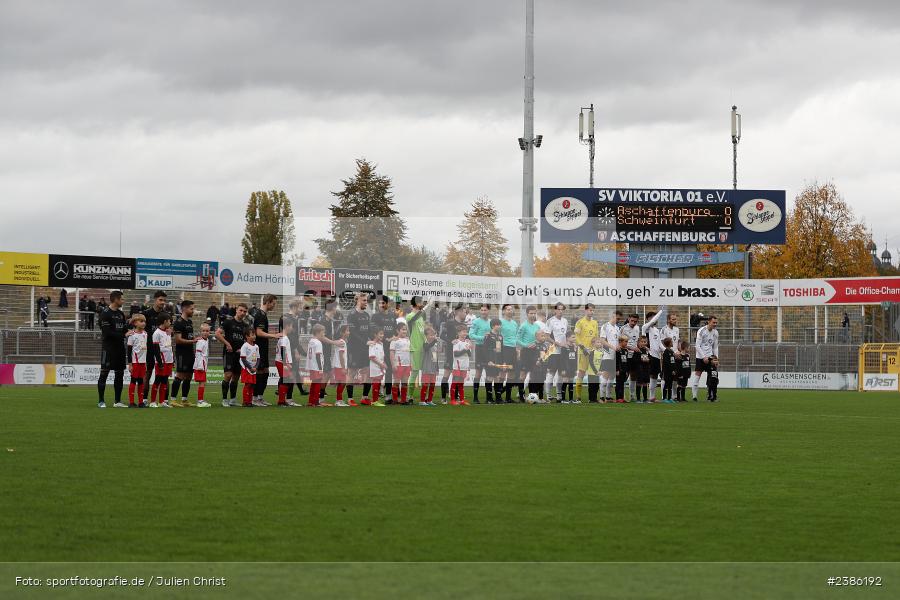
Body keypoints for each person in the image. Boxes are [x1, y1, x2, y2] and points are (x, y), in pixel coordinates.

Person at [97, 290, 128, 408]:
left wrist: (133, 329)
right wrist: (124, 335)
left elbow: (124, 329)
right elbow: (107, 333)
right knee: (104, 373)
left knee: (119, 374)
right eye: (122, 299)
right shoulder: (105, 313)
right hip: (108, 349)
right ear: (116, 299)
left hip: (120, 348)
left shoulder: (121, 314)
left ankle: (117, 401)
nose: (123, 301)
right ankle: (101, 401)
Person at [250, 294, 282, 406]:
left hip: (263, 347)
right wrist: (274, 335)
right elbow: (258, 332)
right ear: (268, 302)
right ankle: (254, 398)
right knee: (260, 372)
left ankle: (259, 397)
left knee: (265, 372)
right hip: (258, 348)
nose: (274, 306)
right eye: (273, 303)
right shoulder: (260, 315)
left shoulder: (262, 314)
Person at [215, 303, 249, 407]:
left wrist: (243, 348)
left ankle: (233, 400)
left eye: (244, 311)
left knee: (236, 377)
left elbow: (247, 340)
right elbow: (217, 333)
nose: (242, 313)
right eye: (241, 310)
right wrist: (227, 344)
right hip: (229, 353)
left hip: (239, 355)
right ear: (236, 310)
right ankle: (224, 399)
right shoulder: (228, 322)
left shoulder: (245, 325)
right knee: (228, 375)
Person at [405, 295, 436, 401]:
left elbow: (423, 330)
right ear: (416, 303)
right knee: (415, 372)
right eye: (421, 302)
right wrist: (427, 306)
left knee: (426, 372)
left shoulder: (422, 316)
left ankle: (425, 397)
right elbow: (415, 318)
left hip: (425, 347)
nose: (422, 304)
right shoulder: (409, 316)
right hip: (415, 348)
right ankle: (409, 396)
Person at [141, 291, 168, 404]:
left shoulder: (166, 315)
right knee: (147, 373)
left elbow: (168, 332)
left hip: (162, 350)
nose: (162, 302)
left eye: (164, 300)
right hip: (149, 349)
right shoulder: (146, 314)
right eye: (160, 300)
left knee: (164, 374)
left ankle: (164, 400)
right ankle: (144, 399)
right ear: (155, 300)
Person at [345, 293, 372, 404]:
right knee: (352, 372)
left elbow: (368, 331)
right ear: (357, 300)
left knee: (368, 372)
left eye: (366, 300)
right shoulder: (351, 315)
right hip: (354, 348)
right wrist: (365, 341)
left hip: (365, 348)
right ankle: (350, 399)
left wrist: (374, 340)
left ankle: (364, 397)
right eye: (364, 300)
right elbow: (353, 332)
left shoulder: (366, 315)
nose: (366, 302)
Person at [171, 300, 198, 408]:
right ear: (184, 309)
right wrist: (192, 341)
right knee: (180, 375)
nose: (193, 311)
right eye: (191, 309)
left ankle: (184, 400)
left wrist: (195, 340)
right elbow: (178, 340)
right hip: (182, 353)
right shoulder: (178, 322)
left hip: (190, 352)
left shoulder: (189, 322)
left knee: (189, 376)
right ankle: (173, 400)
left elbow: (189, 337)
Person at [439, 304, 467, 403]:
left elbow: (466, 338)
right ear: (459, 312)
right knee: (446, 374)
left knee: (457, 376)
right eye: (464, 312)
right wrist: (451, 341)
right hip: (450, 353)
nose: (466, 314)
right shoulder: (449, 323)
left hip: (460, 355)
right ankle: (443, 398)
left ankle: (455, 397)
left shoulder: (464, 325)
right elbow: (442, 335)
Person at [372, 296, 399, 400]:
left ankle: (388, 394)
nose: (381, 305)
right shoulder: (375, 316)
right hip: (379, 347)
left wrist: (395, 337)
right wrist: (384, 339)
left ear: (388, 304)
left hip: (389, 348)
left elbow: (396, 330)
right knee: (377, 370)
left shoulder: (393, 316)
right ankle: (374, 394)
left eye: (383, 303)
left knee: (389, 370)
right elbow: (373, 332)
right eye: (379, 303)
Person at [515, 306, 541, 403]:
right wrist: (526, 345)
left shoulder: (537, 326)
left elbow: (540, 339)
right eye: (531, 313)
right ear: (527, 314)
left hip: (535, 353)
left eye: (534, 313)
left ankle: (532, 396)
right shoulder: (523, 326)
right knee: (522, 375)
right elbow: (517, 339)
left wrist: (538, 343)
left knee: (534, 375)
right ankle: (521, 395)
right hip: (525, 353)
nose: (533, 315)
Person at [467, 303, 491, 404]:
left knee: (489, 373)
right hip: (480, 348)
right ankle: (475, 398)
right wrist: (483, 337)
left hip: (489, 350)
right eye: (482, 310)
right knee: (478, 372)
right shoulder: (476, 321)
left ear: (488, 311)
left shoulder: (491, 322)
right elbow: (471, 334)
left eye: (485, 310)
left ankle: (489, 398)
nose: (483, 312)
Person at [573, 303, 597, 402]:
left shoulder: (595, 322)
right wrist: (583, 347)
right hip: (583, 352)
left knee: (593, 374)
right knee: (581, 373)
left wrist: (595, 348)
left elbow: (596, 337)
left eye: (593, 310)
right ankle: (578, 397)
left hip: (592, 352)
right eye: (590, 310)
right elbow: (576, 337)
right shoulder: (580, 322)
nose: (592, 312)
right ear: (585, 310)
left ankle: (592, 397)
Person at [545, 302, 569, 402]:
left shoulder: (565, 321)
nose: (560, 311)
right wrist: (556, 343)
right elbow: (546, 337)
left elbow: (566, 336)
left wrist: (568, 344)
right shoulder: (550, 321)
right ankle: (548, 395)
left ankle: (559, 395)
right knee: (551, 372)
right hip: (553, 351)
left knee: (560, 374)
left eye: (562, 309)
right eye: (558, 309)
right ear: (555, 310)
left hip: (563, 352)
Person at [692, 315, 719, 401]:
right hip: (700, 357)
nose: (715, 324)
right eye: (713, 322)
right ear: (709, 322)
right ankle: (694, 396)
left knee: (712, 376)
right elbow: (697, 346)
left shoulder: (715, 332)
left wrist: (716, 359)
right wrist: (703, 357)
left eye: (716, 323)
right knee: (697, 376)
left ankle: (711, 395)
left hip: (710, 357)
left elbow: (715, 347)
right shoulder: (701, 331)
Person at [150, 312, 174, 408]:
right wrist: (160, 362)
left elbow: (170, 347)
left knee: (164, 380)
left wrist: (172, 360)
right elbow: (156, 349)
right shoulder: (157, 333)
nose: (170, 323)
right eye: (169, 321)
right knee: (158, 380)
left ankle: (161, 401)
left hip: (168, 360)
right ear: (164, 321)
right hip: (161, 361)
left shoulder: (167, 332)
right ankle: (152, 402)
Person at [275, 319, 301, 407]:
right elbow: (283, 350)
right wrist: (285, 364)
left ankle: (283, 400)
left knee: (287, 380)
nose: (292, 328)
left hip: (282, 362)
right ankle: (281, 401)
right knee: (285, 380)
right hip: (281, 362)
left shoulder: (284, 337)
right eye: (291, 326)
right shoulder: (284, 338)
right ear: (286, 326)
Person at [599, 310, 622, 403]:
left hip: (615, 355)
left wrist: (619, 346)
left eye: (619, 319)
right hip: (607, 354)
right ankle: (601, 397)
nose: (618, 320)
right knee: (605, 375)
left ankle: (608, 397)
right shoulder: (605, 326)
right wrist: (613, 347)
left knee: (612, 376)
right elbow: (602, 340)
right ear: (612, 316)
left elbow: (618, 341)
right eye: (617, 318)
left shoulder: (617, 328)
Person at [499, 304, 519, 403]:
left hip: (513, 349)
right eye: (508, 309)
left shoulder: (515, 323)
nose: (510, 311)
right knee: (503, 372)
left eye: (511, 309)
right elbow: (497, 337)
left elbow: (515, 337)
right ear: (503, 311)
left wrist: (517, 349)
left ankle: (508, 397)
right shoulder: (500, 322)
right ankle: (498, 396)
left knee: (512, 373)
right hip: (504, 348)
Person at [642, 309, 664, 402]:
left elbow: (659, 344)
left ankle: (652, 397)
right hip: (649, 355)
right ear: (648, 319)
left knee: (654, 376)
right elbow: (652, 322)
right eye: (651, 318)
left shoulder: (656, 330)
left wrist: (667, 351)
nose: (654, 319)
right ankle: (644, 397)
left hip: (657, 356)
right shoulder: (645, 328)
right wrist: (660, 312)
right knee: (649, 376)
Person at [126, 314, 148, 407]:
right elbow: (129, 351)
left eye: (144, 321)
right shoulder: (132, 335)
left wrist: (145, 362)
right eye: (141, 321)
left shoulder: (145, 334)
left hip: (143, 362)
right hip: (135, 362)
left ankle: (140, 402)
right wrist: (130, 364)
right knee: (133, 380)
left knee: (141, 381)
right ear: (135, 323)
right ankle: (131, 402)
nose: (143, 323)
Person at [482, 318, 505, 404]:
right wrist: (488, 360)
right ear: (492, 326)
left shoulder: (500, 336)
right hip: (490, 360)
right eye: (497, 325)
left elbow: (501, 350)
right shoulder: (488, 336)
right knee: (490, 377)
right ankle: (489, 398)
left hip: (498, 360)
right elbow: (484, 349)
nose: (499, 326)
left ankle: (498, 398)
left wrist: (503, 361)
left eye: (500, 325)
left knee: (497, 378)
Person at [390, 322, 412, 404]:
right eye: (403, 329)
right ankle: (395, 400)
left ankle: (403, 400)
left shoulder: (408, 340)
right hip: (398, 365)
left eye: (405, 329)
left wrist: (411, 363)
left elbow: (410, 353)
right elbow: (391, 353)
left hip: (407, 365)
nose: (404, 331)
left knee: (405, 383)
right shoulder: (394, 341)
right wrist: (393, 364)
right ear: (397, 330)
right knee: (396, 382)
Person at [450, 325, 472, 405]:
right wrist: (465, 349)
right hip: (457, 366)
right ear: (458, 333)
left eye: (466, 332)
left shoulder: (467, 342)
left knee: (461, 383)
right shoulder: (456, 342)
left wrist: (469, 348)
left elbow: (469, 354)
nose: (465, 333)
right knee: (455, 382)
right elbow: (456, 354)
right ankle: (452, 400)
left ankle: (462, 400)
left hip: (464, 365)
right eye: (463, 332)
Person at [305, 324, 327, 407]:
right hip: (316, 367)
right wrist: (320, 369)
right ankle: (316, 402)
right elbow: (318, 356)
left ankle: (311, 401)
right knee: (317, 383)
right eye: (323, 332)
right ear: (318, 332)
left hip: (311, 365)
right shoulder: (318, 343)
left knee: (314, 383)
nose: (324, 334)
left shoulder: (311, 341)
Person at [331, 325, 353, 407]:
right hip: (340, 366)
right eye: (347, 331)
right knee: (342, 383)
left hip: (339, 365)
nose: (349, 332)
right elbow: (341, 355)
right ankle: (338, 401)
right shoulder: (342, 342)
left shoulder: (341, 341)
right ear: (342, 333)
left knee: (342, 383)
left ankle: (339, 400)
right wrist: (343, 368)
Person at [621, 313, 641, 401]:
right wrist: (631, 348)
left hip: (635, 355)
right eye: (632, 321)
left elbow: (637, 341)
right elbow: (621, 343)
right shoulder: (623, 328)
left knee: (634, 375)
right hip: (626, 355)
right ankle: (622, 395)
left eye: (635, 321)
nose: (633, 323)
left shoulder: (637, 328)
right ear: (629, 319)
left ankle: (632, 395)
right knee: (625, 375)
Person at [239, 328, 260, 407]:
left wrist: (256, 367)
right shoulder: (245, 346)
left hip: (253, 369)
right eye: (252, 335)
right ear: (247, 336)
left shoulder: (256, 346)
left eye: (254, 334)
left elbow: (258, 358)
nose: (254, 336)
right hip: (247, 368)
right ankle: (245, 402)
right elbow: (243, 358)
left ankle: (250, 401)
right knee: (248, 384)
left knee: (252, 385)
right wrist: (250, 368)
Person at [419, 326, 440, 406]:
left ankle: (429, 400)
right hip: (426, 368)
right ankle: (422, 400)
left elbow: (435, 358)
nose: (432, 336)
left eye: (433, 335)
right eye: (431, 335)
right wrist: (434, 342)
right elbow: (427, 348)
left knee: (432, 385)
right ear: (426, 336)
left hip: (433, 369)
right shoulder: (425, 344)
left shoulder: (435, 345)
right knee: (425, 384)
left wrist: (437, 368)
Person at [192, 323, 212, 408]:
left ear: (209, 332)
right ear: (200, 332)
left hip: (203, 364)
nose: (205, 332)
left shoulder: (206, 340)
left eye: (207, 331)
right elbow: (198, 354)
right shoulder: (200, 341)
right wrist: (200, 366)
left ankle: (201, 400)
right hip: (200, 365)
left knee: (203, 382)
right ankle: (200, 401)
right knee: (202, 382)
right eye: (203, 331)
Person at [367, 328, 387, 407]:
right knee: (376, 382)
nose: (382, 335)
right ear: (375, 334)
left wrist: (383, 363)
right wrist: (381, 364)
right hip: (375, 366)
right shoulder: (372, 344)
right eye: (380, 334)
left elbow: (382, 356)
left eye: (383, 334)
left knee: (378, 382)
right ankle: (375, 401)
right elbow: (372, 357)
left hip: (380, 367)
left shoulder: (381, 344)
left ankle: (375, 400)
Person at [558, 331, 579, 404]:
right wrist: (563, 369)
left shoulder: (575, 347)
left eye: (575, 337)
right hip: (566, 368)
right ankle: (563, 399)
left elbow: (575, 359)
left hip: (572, 368)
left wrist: (576, 369)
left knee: (571, 382)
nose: (574, 338)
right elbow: (562, 359)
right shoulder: (564, 347)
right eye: (573, 337)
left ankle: (571, 399)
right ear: (567, 338)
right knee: (565, 382)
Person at [584, 336, 606, 404]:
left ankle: (595, 398)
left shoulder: (601, 353)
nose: (599, 344)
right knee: (592, 386)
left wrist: (600, 370)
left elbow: (601, 362)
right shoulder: (592, 352)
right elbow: (591, 362)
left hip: (598, 373)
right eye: (598, 342)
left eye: (600, 342)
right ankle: (591, 399)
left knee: (596, 386)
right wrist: (596, 371)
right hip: (592, 372)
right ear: (593, 344)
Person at [635, 336, 652, 403]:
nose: (643, 343)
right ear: (639, 343)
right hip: (640, 369)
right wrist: (641, 360)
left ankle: (645, 399)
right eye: (642, 342)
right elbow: (634, 360)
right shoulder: (637, 350)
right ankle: (638, 399)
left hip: (646, 369)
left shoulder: (647, 351)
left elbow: (651, 359)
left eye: (645, 342)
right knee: (639, 383)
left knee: (645, 384)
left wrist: (649, 360)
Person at [614, 334, 630, 403]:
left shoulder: (626, 350)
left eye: (627, 341)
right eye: (625, 341)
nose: (626, 343)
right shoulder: (618, 350)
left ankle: (622, 397)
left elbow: (626, 361)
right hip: (619, 370)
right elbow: (616, 361)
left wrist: (627, 371)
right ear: (620, 342)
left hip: (624, 370)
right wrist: (616, 370)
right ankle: (618, 398)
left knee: (622, 384)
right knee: (618, 384)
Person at [661, 337, 677, 404]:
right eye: (671, 342)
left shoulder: (672, 351)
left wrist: (674, 370)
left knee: (670, 385)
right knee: (666, 384)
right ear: (669, 343)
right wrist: (671, 370)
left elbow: (673, 362)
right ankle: (664, 398)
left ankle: (669, 398)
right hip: (667, 371)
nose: (672, 343)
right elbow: (667, 363)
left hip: (672, 371)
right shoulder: (666, 352)